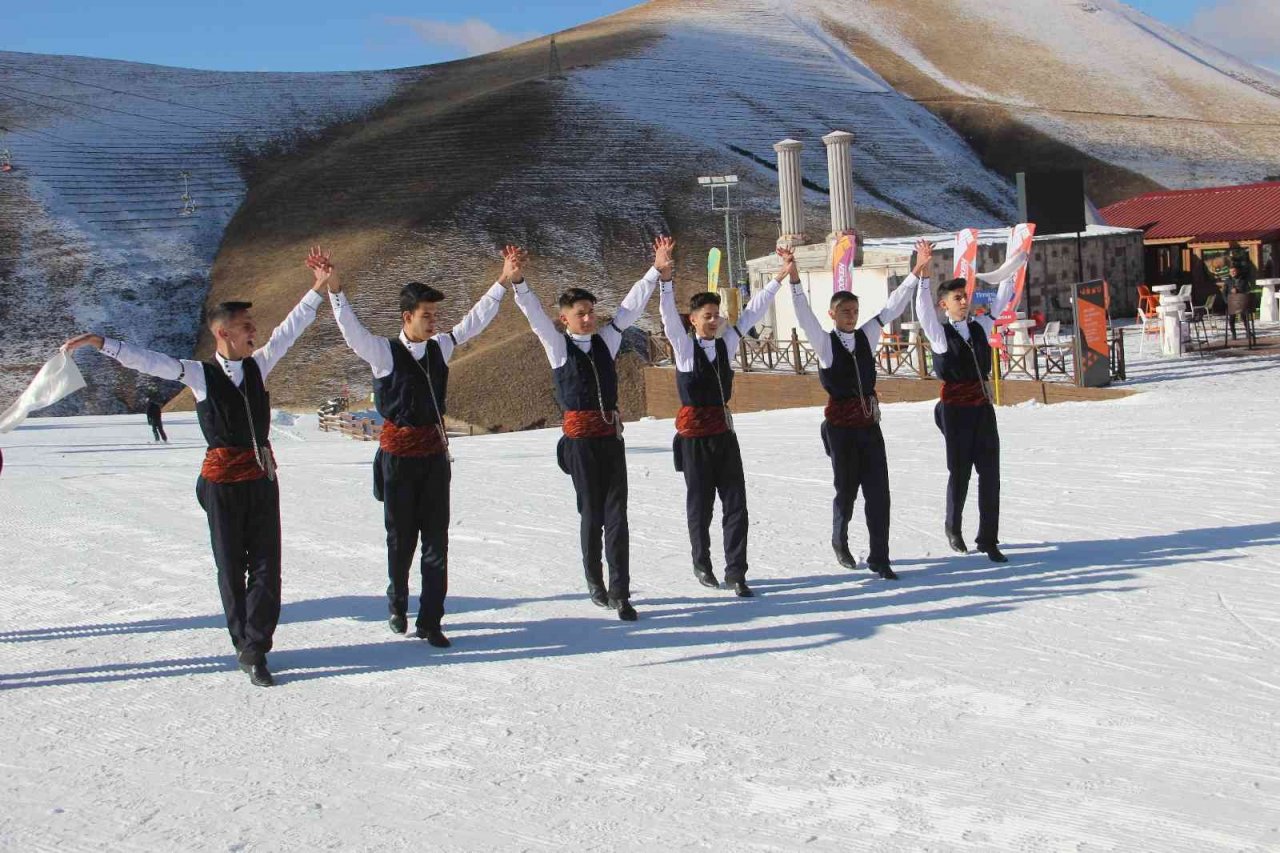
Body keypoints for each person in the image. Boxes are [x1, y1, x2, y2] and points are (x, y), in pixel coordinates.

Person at [61, 262, 327, 687]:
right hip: (222, 483)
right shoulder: (199, 375)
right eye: (245, 326)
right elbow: (149, 361)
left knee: (266, 566)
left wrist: (317, 289)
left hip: (261, 478)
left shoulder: (261, 363)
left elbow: (290, 329)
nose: (254, 331)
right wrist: (102, 343)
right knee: (230, 567)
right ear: (223, 333)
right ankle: (243, 641)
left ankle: (257, 646)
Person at [311, 246, 516, 647]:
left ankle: (431, 620)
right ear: (407, 318)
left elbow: (475, 321)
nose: (433, 322)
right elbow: (351, 331)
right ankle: (397, 599)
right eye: (427, 316)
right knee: (401, 538)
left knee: (436, 540)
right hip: (398, 461)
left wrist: (503, 281)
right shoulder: (383, 354)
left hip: (435, 460)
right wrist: (335, 290)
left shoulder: (441, 347)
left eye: (435, 316)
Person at [513, 240, 663, 621]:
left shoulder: (606, 341)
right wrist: (519, 283)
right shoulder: (558, 347)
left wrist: (655, 270)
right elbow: (533, 317)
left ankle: (621, 592)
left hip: (610, 439)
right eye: (580, 313)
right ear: (564, 318)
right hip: (579, 443)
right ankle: (595, 580)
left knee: (618, 516)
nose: (588, 318)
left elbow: (629, 308)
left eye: (591, 312)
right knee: (592, 513)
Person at [787, 244, 923, 579]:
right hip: (841, 429)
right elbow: (804, 316)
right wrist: (792, 279)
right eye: (845, 310)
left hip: (869, 425)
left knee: (879, 491)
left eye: (854, 310)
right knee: (846, 489)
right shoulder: (824, 343)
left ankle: (880, 555)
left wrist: (916, 273)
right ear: (832, 314)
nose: (851, 315)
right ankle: (840, 539)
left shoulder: (867, 335)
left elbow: (891, 308)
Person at [657, 237, 783, 598]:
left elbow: (753, 312)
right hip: (695, 438)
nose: (713, 321)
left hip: (724, 436)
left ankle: (736, 571)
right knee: (701, 506)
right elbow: (667, 316)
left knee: (736, 505)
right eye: (706, 317)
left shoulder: (727, 343)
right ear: (693, 321)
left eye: (716, 316)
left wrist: (777, 278)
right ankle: (702, 563)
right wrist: (665, 279)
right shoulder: (683, 348)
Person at [915, 240, 1021, 564]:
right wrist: (922, 272)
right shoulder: (939, 335)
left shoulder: (980, 326)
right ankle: (953, 527)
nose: (963, 301)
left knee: (990, 474)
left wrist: (1012, 267)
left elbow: (1003, 300)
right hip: (955, 412)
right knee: (960, 472)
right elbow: (921, 311)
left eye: (964, 296)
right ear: (944, 305)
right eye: (956, 298)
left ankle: (988, 539)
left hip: (982, 410)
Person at [1219, 265, 1251, 341]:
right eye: (1231, 272)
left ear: (1237, 271)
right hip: (1231, 302)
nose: (1233, 273)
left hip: (1242, 301)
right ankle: (1233, 334)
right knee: (1231, 319)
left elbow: (1248, 290)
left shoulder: (1243, 279)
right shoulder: (1227, 281)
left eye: (1234, 271)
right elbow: (1224, 293)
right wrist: (1227, 301)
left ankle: (1248, 332)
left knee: (1244, 317)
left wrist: (1239, 291)